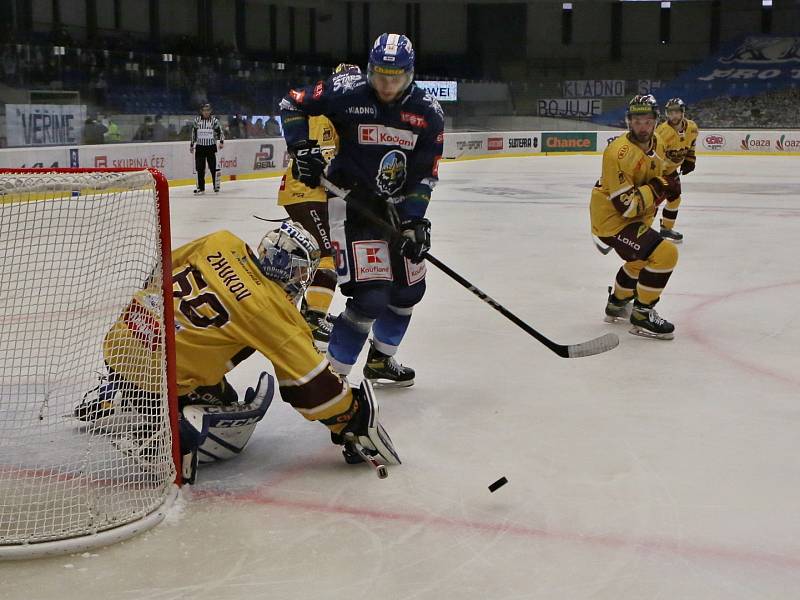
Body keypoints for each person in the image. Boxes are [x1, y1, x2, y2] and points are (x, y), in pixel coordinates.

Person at [74, 221, 400, 482]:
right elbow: (309, 386)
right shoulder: (271, 311)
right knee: (237, 365)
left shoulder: (221, 242)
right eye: (302, 272)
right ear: (290, 268)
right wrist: (350, 418)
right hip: (164, 376)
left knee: (204, 331)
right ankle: (181, 420)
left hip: (121, 340)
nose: (301, 280)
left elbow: (161, 270)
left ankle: (124, 387)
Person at [280, 33, 444, 387]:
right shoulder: (346, 90)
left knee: (409, 292)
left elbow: (425, 175)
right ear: (369, 70)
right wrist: (302, 148)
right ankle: (331, 379)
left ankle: (381, 360)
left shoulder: (428, 112)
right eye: (380, 75)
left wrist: (415, 220)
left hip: (397, 210)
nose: (387, 85)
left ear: (410, 74)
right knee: (370, 297)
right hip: (352, 205)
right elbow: (291, 103)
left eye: (396, 77)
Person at [276, 63, 359, 350]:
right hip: (306, 192)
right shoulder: (337, 112)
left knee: (309, 256)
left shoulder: (324, 106)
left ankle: (291, 312)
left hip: (301, 192)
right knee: (329, 255)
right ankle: (313, 316)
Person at [590, 94, 680, 340]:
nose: (643, 126)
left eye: (648, 121)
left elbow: (663, 174)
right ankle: (642, 313)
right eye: (637, 121)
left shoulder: (658, 143)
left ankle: (616, 304)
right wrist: (659, 186)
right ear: (628, 121)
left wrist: (671, 181)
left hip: (636, 218)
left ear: (655, 121)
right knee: (666, 254)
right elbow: (625, 206)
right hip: (612, 221)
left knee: (640, 261)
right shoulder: (616, 153)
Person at [654, 98, 698, 243]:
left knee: (674, 200)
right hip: (658, 172)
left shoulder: (692, 127)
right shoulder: (662, 131)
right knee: (651, 204)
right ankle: (640, 231)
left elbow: (691, 144)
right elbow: (653, 154)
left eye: (677, 112)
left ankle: (666, 228)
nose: (674, 115)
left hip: (672, 171)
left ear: (682, 112)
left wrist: (690, 160)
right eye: (670, 112)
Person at [190, 103, 224, 194]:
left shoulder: (214, 121)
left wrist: (221, 142)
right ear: (201, 111)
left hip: (211, 147)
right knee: (200, 168)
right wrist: (192, 144)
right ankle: (201, 188)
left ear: (210, 111)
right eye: (204, 110)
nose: (206, 112)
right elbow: (194, 133)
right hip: (200, 147)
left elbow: (220, 131)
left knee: (213, 167)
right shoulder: (197, 120)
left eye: (208, 110)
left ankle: (216, 186)